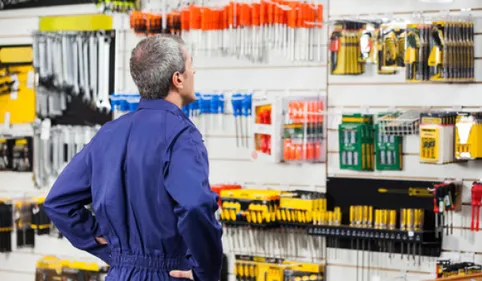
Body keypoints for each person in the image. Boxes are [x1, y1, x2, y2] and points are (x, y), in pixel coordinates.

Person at [44, 34, 223, 281]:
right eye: (190, 64)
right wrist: (206, 272)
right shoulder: (182, 135)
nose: (194, 72)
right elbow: (195, 206)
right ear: (178, 78)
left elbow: (58, 203)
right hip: (169, 273)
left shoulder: (108, 133)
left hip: (120, 273)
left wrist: (102, 241)